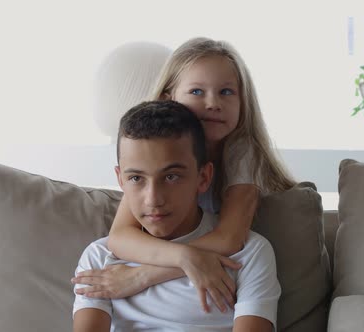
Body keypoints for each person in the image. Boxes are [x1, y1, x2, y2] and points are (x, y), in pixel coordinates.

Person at [72, 37, 295, 313]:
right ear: (169, 98)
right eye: (197, 92)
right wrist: (184, 256)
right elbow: (120, 237)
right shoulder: (153, 157)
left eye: (226, 92)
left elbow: (228, 240)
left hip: (238, 263)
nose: (213, 103)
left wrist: (142, 276)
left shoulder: (242, 151)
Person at [72, 100, 280, 331]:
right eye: (136, 178)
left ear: (203, 177)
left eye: (171, 177)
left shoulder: (248, 253)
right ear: (120, 179)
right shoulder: (100, 258)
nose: (153, 199)